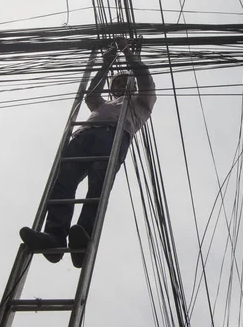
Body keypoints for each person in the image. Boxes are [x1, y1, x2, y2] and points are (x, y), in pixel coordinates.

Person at [20, 37, 156, 268]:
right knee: (62, 182)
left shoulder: (141, 101)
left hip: (113, 136)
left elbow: (145, 79)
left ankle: (82, 240)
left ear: (132, 85)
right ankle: (54, 237)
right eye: (116, 83)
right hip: (84, 135)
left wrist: (127, 53)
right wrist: (106, 64)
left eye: (124, 82)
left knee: (98, 185)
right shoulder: (102, 105)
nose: (119, 85)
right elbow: (91, 94)